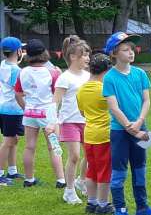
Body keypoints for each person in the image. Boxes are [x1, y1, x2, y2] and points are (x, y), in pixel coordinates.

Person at [102, 31, 151, 215]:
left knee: (140, 169)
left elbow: (146, 100)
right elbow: (113, 107)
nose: (131, 52)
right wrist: (130, 127)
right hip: (120, 132)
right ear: (114, 53)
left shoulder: (140, 74)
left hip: (140, 126)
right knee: (119, 172)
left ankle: (143, 207)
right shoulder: (110, 78)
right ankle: (120, 210)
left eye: (132, 49)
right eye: (125, 49)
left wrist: (139, 122)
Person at [14, 39, 64, 188]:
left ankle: (29, 179)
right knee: (53, 146)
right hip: (48, 114)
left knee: (29, 147)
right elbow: (58, 94)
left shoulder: (22, 72)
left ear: (27, 55)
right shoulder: (53, 73)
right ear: (44, 53)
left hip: (30, 113)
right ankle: (61, 179)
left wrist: (26, 108)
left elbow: (18, 94)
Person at [54, 36, 91, 204]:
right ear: (73, 57)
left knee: (90, 155)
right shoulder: (65, 77)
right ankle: (69, 191)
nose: (88, 58)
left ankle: (81, 181)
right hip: (69, 121)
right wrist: (53, 122)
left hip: (88, 121)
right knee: (75, 155)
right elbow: (56, 101)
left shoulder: (89, 76)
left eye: (88, 55)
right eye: (84, 55)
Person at [76, 53, 114, 215]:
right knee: (105, 171)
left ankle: (91, 202)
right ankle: (103, 203)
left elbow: (82, 112)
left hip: (89, 134)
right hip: (104, 135)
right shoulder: (104, 89)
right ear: (106, 71)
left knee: (91, 169)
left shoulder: (82, 89)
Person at [0, 37, 25, 185]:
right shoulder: (17, 71)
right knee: (8, 141)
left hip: (4, 108)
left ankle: (12, 170)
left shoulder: (3, 65)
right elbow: (19, 91)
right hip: (12, 110)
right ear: (18, 51)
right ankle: (1, 173)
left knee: (14, 139)